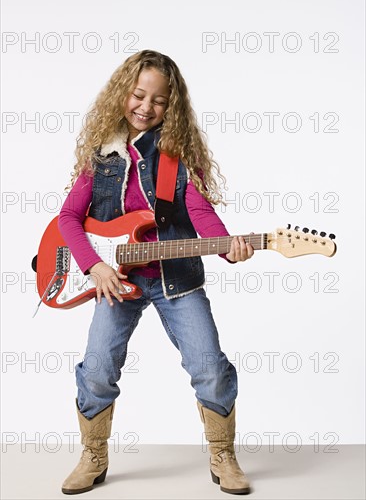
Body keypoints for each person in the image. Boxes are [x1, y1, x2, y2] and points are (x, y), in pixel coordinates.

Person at [58, 50, 253, 496]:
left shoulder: (178, 156)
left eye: (159, 100)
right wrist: (95, 265)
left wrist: (229, 248)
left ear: (173, 105)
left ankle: (223, 454)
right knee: (98, 367)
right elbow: (68, 218)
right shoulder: (102, 155)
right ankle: (93, 454)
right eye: (138, 95)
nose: (146, 107)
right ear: (122, 94)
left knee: (209, 366)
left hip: (176, 281)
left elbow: (200, 212)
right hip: (117, 284)